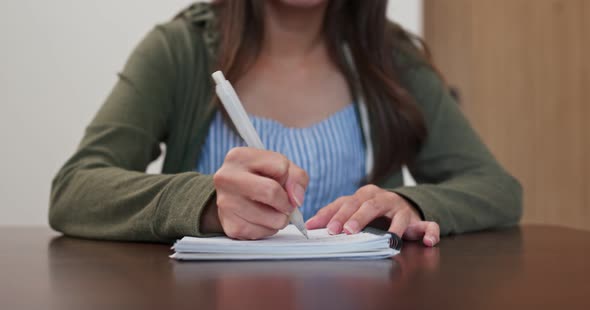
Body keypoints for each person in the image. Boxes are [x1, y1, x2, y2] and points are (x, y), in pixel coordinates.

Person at [49, 0, 522, 246]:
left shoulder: (392, 61)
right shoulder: (179, 51)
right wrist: (205, 205)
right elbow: (75, 189)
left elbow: (498, 190)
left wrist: (410, 202)